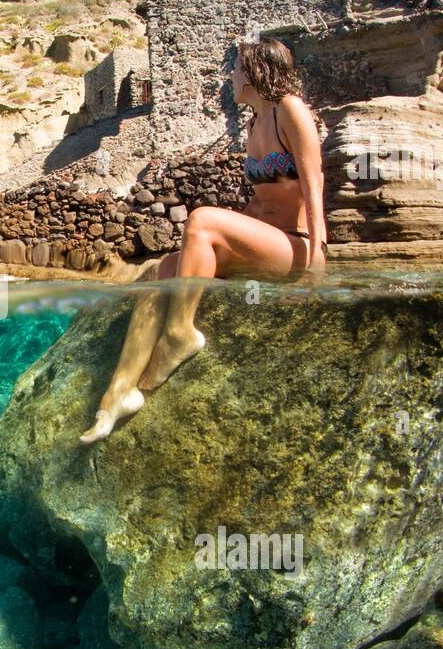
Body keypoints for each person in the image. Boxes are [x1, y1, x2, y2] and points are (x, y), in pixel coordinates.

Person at [80, 36, 328, 443]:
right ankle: (117, 395)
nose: (229, 78)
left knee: (202, 219)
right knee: (164, 270)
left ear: (253, 71)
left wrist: (316, 261)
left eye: (235, 69)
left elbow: (314, 183)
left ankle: (180, 333)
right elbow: (259, 205)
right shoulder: (253, 124)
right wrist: (211, 251)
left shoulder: (290, 111)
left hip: (295, 245)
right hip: (263, 242)